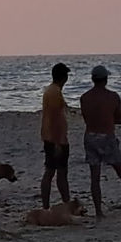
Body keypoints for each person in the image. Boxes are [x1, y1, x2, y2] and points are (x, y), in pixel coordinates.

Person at [79, 64, 121, 218]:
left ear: (92, 79)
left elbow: (86, 118)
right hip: (107, 137)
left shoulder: (84, 98)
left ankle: (99, 212)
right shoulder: (113, 97)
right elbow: (118, 119)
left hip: (90, 136)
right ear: (106, 79)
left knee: (94, 177)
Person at [39, 62, 71, 209]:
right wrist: (58, 141)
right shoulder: (54, 93)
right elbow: (55, 118)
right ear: (63, 77)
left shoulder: (52, 90)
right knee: (57, 172)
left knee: (54, 171)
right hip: (55, 138)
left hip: (51, 136)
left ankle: (56, 204)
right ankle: (63, 204)